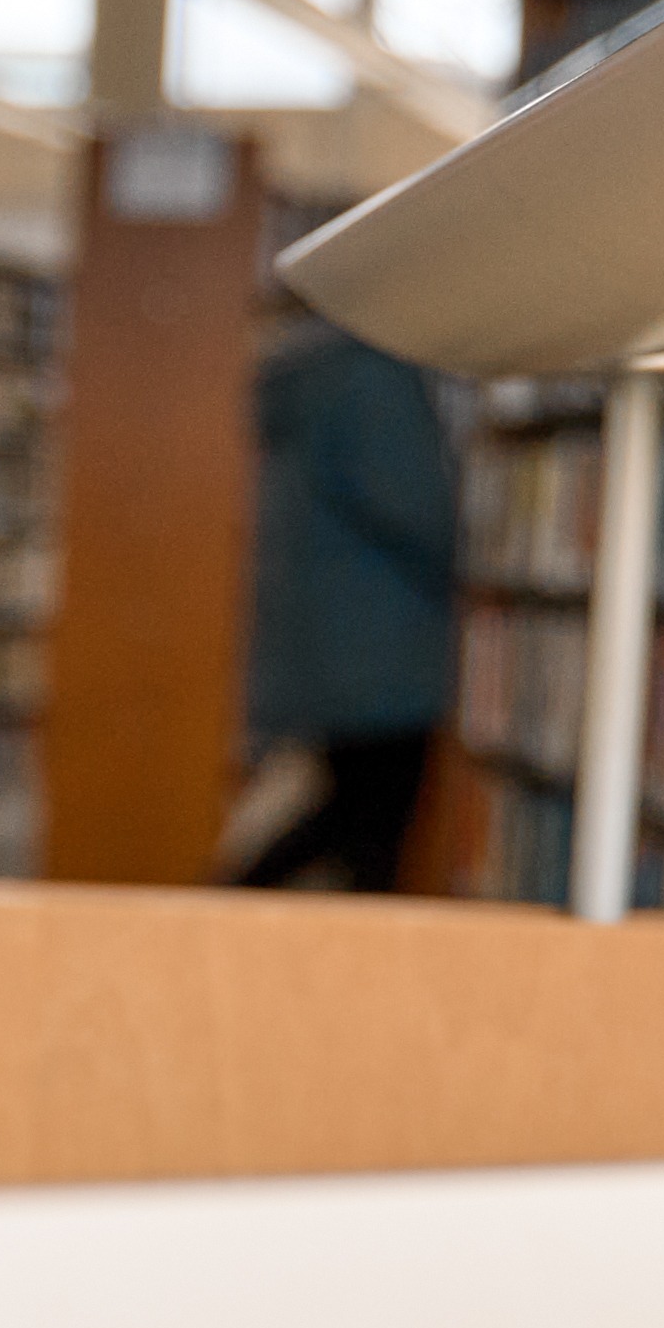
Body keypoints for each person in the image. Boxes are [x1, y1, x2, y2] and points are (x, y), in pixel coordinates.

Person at [228, 295, 463, 892]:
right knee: (371, 831)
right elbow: (415, 506)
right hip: (380, 654)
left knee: (349, 817)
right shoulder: (372, 373)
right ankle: (220, 914)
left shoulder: (301, 373)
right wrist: (473, 541)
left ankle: (225, 910)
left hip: (323, 650)